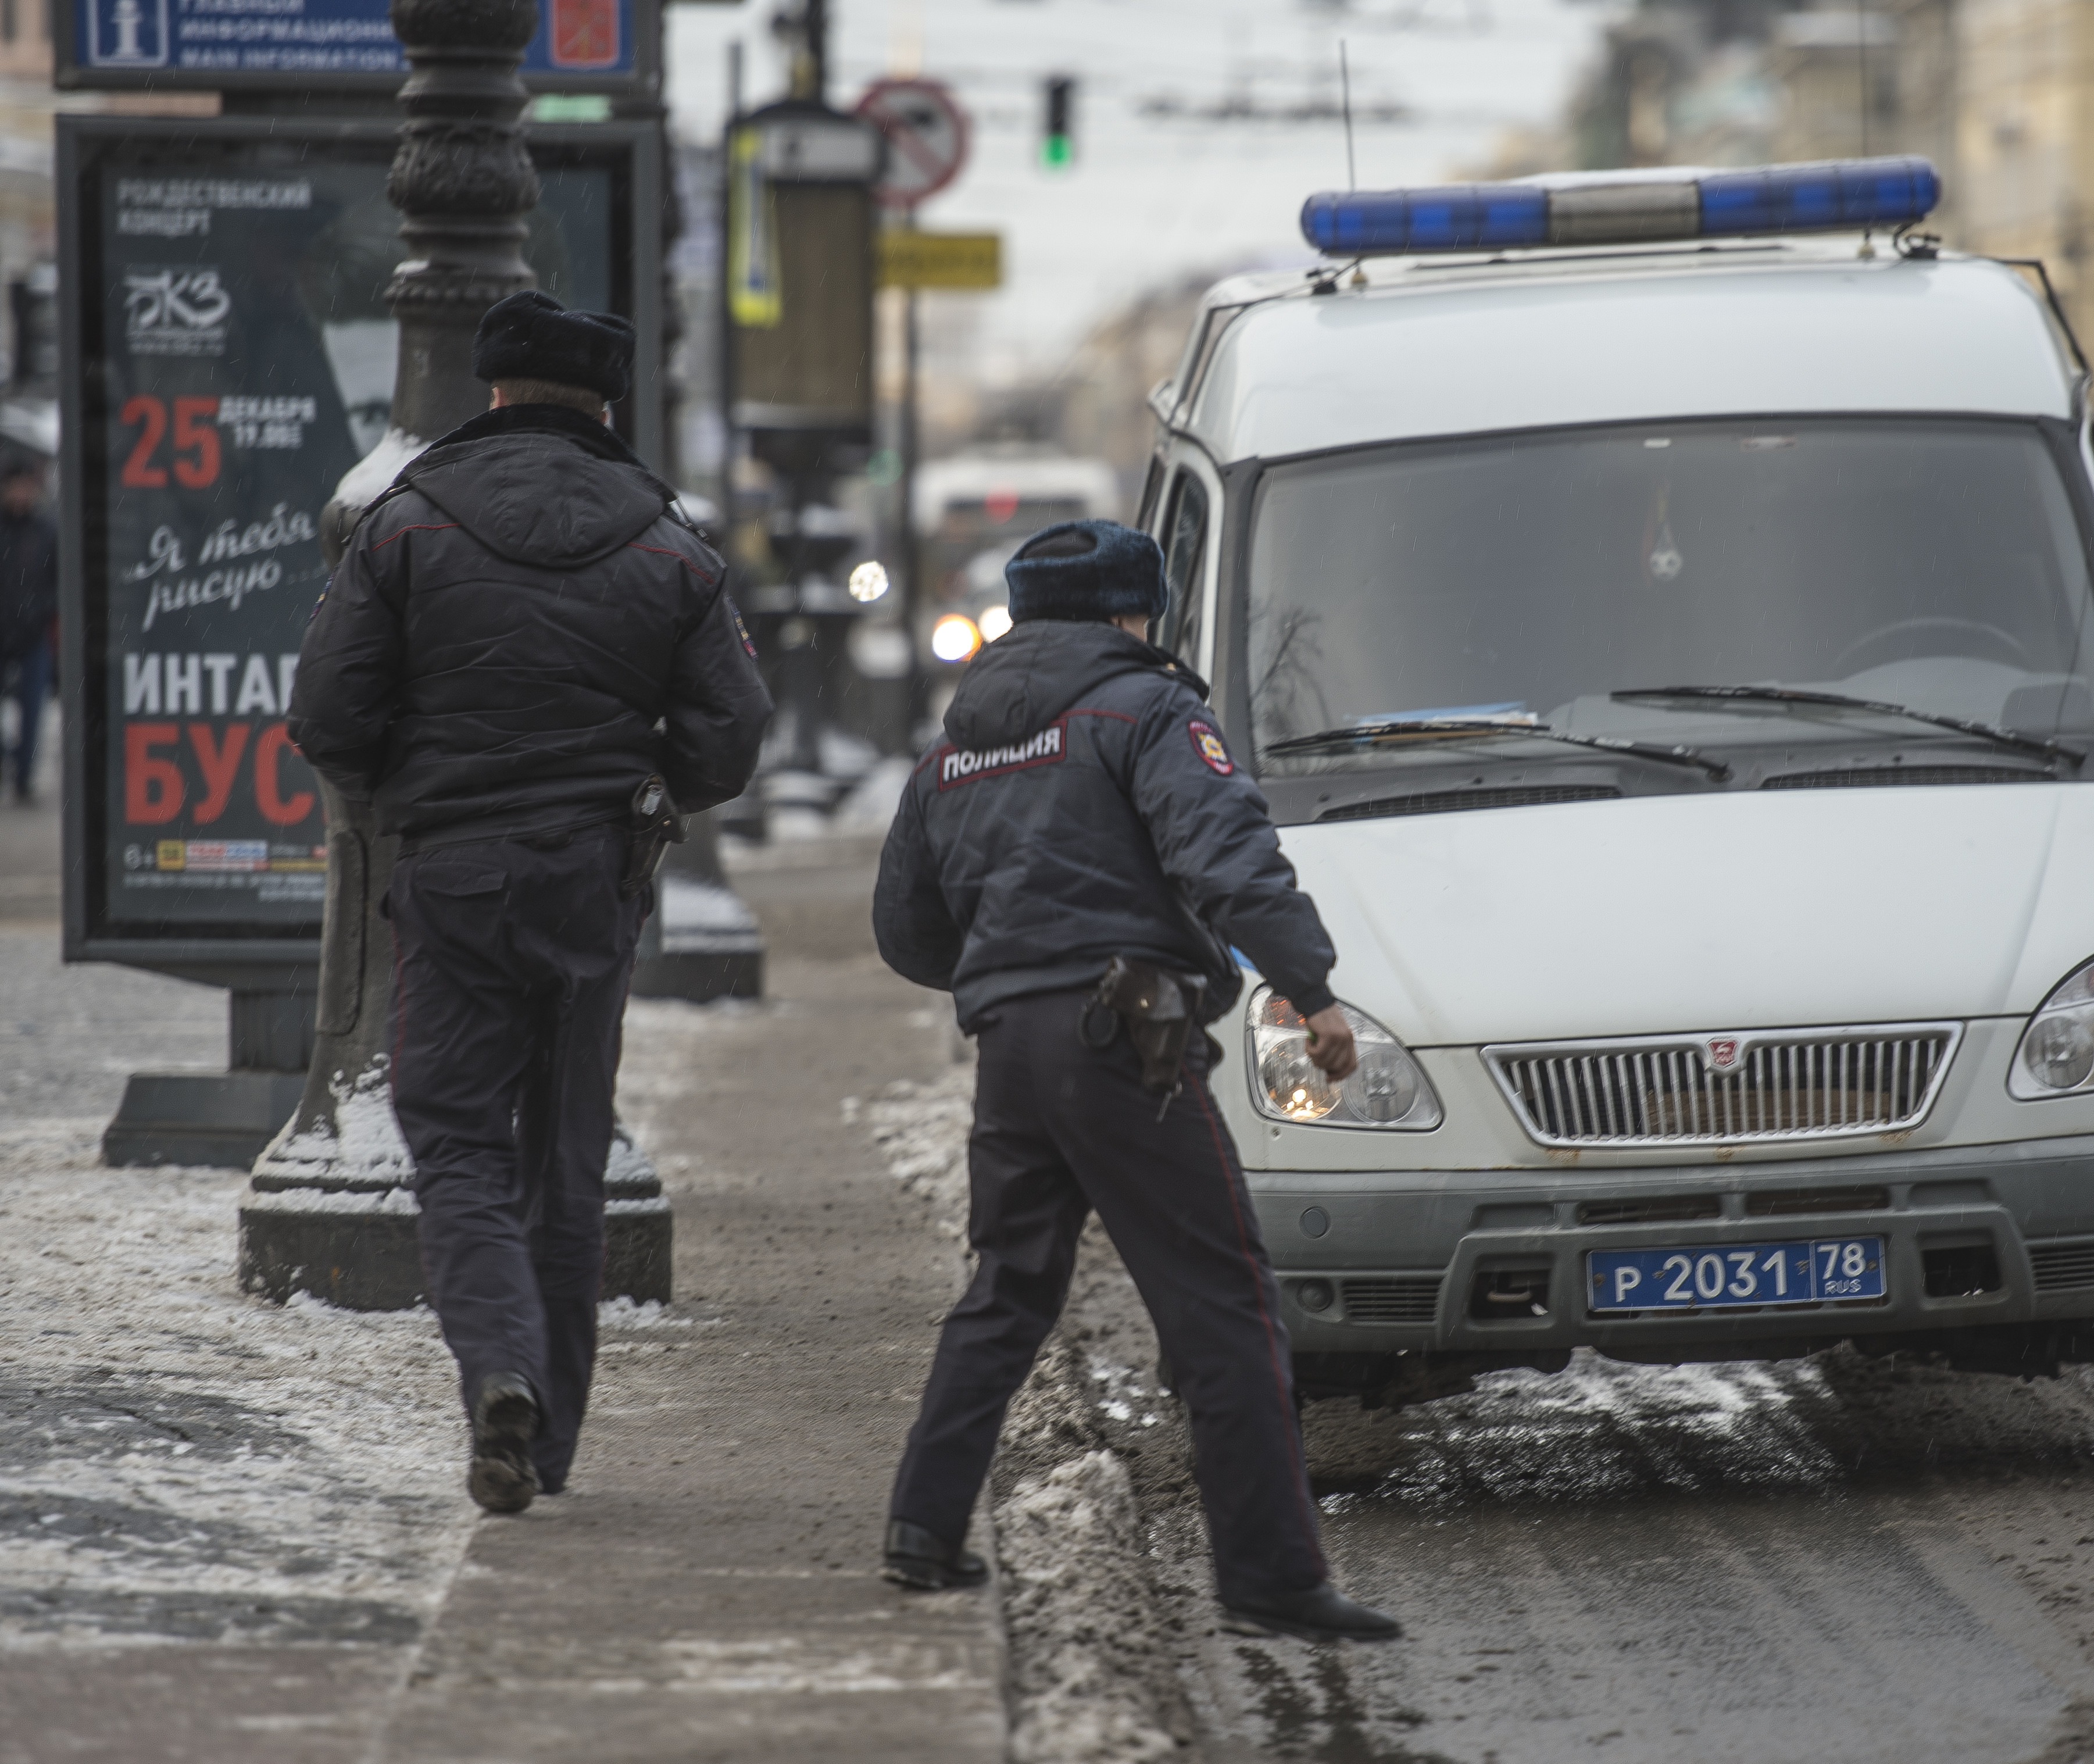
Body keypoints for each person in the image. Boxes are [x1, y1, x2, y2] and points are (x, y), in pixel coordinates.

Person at [871, 519, 1401, 1644]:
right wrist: (1312, 989)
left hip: (1011, 1047)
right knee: (1222, 1295)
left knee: (1006, 1286)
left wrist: (1007, 962)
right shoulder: (1147, 707)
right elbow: (1227, 854)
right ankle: (1269, 1573)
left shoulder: (957, 742)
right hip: (1126, 1033)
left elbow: (907, 928)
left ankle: (921, 1523)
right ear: (1129, 613)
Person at [289, 292, 771, 1514]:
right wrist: (644, 779)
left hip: (451, 872)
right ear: (607, 403)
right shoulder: (669, 537)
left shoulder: (404, 522)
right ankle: (547, 1437)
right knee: (566, 1158)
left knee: (453, 1138)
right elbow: (730, 738)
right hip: (591, 882)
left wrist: (418, 779)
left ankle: (497, 1368)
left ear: (491, 390)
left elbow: (328, 718)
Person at [0, 454, 58, 806]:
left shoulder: (47, 530)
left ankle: (23, 777)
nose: (22, 493)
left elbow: (58, 581)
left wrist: (41, 612)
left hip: (34, 632)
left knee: (33, 709)